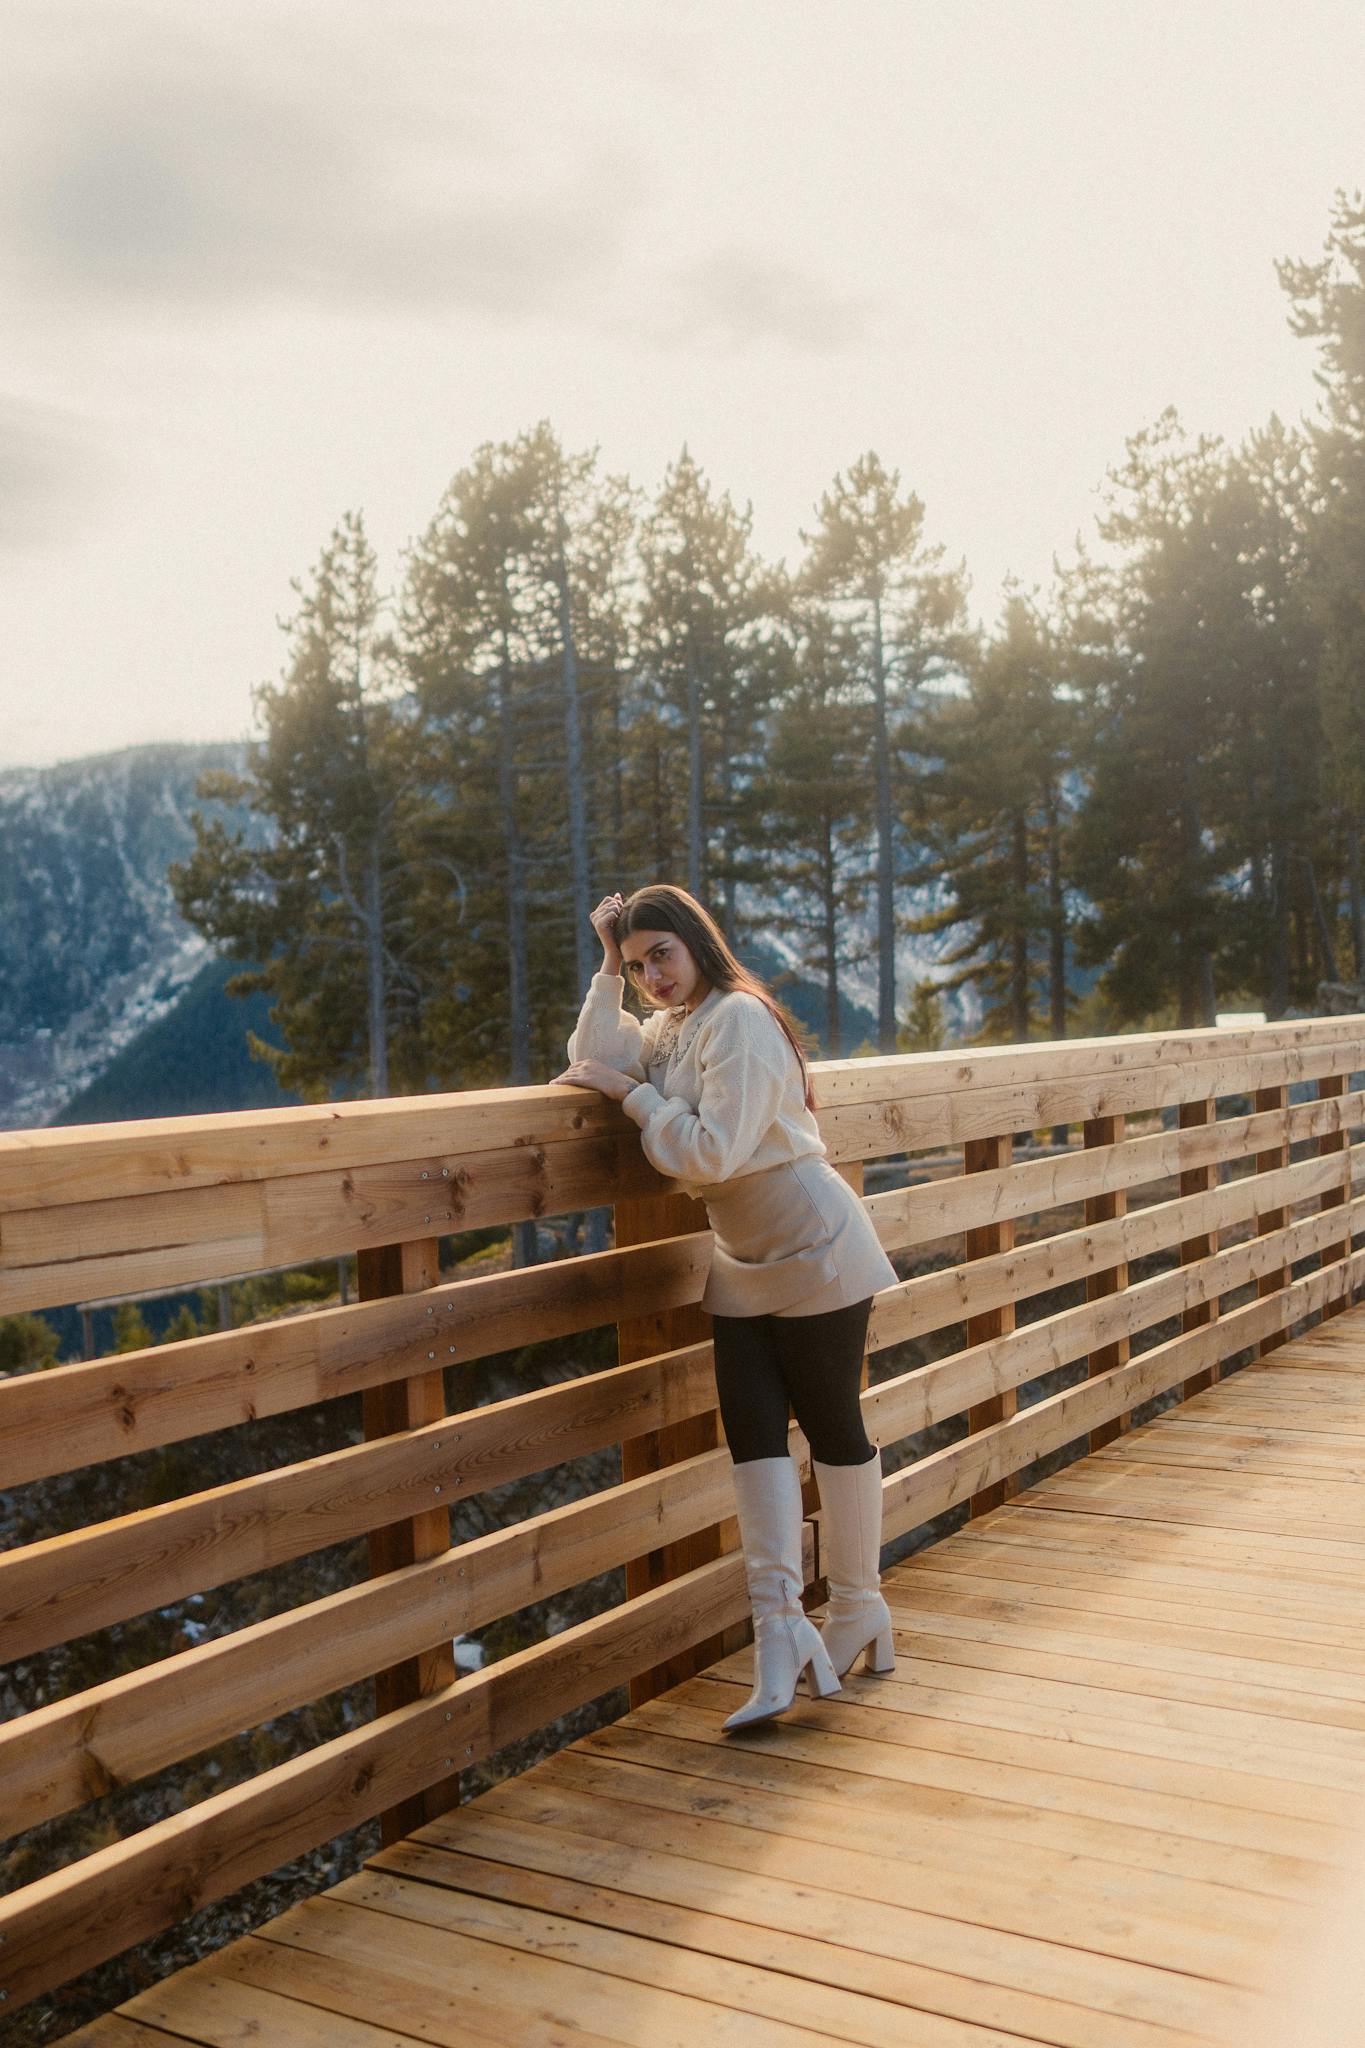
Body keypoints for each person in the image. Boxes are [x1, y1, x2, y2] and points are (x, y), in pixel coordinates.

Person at [553, 883, 899, 1732]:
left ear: (696, 944)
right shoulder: (671, 1028)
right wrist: (603, 967)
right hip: (742, 1254)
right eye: (635, 967)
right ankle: (779, 1632)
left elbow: (710, 1152)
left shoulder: (738, 1018)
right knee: (751, 1436)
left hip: (813, 1243)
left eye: (659, 955)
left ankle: (857, 1607)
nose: (650, 978)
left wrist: (630, 1097)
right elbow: (594, 1052)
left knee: (830, 1425)